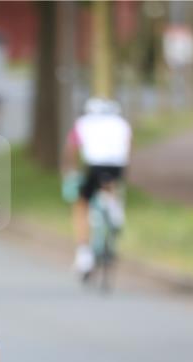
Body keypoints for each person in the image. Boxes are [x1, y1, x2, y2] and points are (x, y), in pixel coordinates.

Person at [61, 97, 132, 277]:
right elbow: (128, 147)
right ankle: (114, 207)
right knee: (110, 187)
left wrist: (70, 171)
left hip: (94, 166)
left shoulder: (83, 123)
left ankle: (84, 254)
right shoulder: (122, 123)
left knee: (81, 204)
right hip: (117, 167)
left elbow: (71, 149)